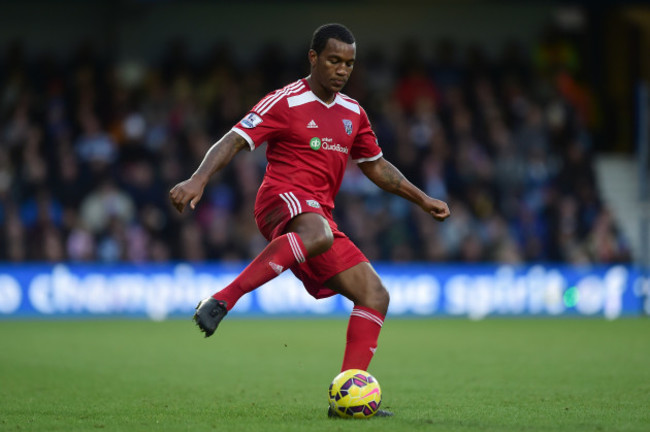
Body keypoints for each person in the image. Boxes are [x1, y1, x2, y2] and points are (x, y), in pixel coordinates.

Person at [169, 23, 450, 417]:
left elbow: (376, 166)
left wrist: (422, 199)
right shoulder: (285, 101)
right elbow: (234, 138)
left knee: (375, 294)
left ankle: (347, 401)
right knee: (316, 231)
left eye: (349, 63)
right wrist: (198, 179)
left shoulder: (354, 113)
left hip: (319, 216)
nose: (342, 70)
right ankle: (222, 300)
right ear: (313, 58)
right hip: (278, 199)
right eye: (334, 60)